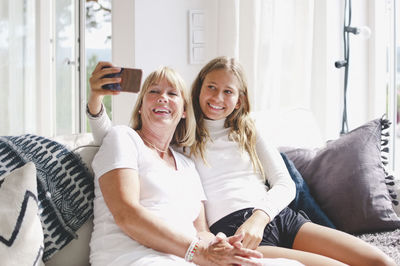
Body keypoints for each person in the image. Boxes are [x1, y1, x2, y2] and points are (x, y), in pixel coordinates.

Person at [87, 62, 303, 266]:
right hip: (134, 258)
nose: (162, 97)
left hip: (185, 260)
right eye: (153, 92)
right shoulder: (123, 138)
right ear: (141, 106)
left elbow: (201, 231)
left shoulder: (187, 165)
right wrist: (96, 98)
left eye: (172, 94)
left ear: (183, 112)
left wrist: (220, 246)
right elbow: (127, 215)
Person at [187, 56, 396, 266]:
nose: (217, 97)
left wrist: (259, 218)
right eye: (211, 87)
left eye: (228, 91)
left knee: (381, 261)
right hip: (237, 233)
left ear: (239, 100)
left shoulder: (249, 131)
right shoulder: (184, 138)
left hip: (277, 216)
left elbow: (285, 184)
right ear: (199, 89)